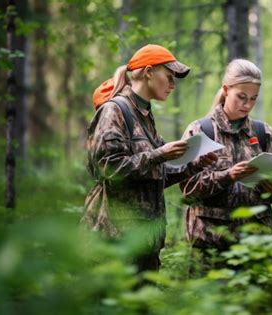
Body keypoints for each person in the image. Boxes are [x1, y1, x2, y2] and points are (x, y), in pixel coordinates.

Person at [81, 44, 217, 272]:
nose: (173, 85)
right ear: (148, 72)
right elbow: (108, 168)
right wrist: (159, 154)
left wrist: (192, 166)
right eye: (169, 77)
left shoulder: (145, 116)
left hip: (146, 243)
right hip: (115, 242)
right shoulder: (114, 111)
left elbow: (155, 175)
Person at [179, 59, 272, 272]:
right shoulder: (201, 130)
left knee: (261, 306)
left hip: (258, 247)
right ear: (226, 90)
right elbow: (186, 190)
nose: (247, 105)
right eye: (241, 97)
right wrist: (227, 176)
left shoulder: (264, 133)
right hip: (210, 249)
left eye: (253, 99)